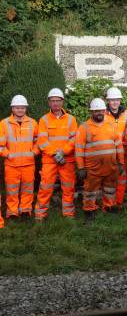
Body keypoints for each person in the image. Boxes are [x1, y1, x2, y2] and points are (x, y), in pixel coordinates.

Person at [75, 98, 124, 225]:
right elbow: (79, 149)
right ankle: (89, 213)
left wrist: (121, 162)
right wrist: (81, 167)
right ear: (91, 111)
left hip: (111, 168)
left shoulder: (111, 125)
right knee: (90, 193)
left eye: (101, 111)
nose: (99, 113)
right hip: (92, 170)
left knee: (110, 190)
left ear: (104, 111)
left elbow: (118, 145)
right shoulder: (84, 127)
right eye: (96, 111)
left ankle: (110, 209)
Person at [34, 88, 78, 221]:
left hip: (67, 160)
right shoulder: (44, 120)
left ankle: (69, 213)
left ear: (62, 101)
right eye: (52, 101)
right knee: (45, 187)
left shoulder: (71, 119)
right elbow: (42, 140)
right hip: (49, 160)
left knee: (68, 187)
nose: (55, 103)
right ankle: (40, 214)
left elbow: (74, 139)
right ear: (49, 102)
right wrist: (55, 154)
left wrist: (63, 153)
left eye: (58, 100)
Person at [0, 95, 39, 223]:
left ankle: (25, 212)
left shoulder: (33, 123)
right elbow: (0, 145)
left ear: (26, 108)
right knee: (12, 191)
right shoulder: (4, 123)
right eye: (17, 107)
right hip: (11, 164)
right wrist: (7, 154)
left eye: (22, 107)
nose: (20, 110)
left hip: (28, 163)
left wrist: (34, 152)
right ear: (12, 108)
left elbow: (39, 141)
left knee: (28, 190)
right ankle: (12, 214)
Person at [105, 87, 127, 208]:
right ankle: (108, 204)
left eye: (117, 100)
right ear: (108, 100)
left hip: (122, 153)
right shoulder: (102, 113)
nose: (115, 102)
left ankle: (118, 203)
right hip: (107, 152)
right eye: (112, 100)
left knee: (122, 179)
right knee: (108, 179)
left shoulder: (125, 114)